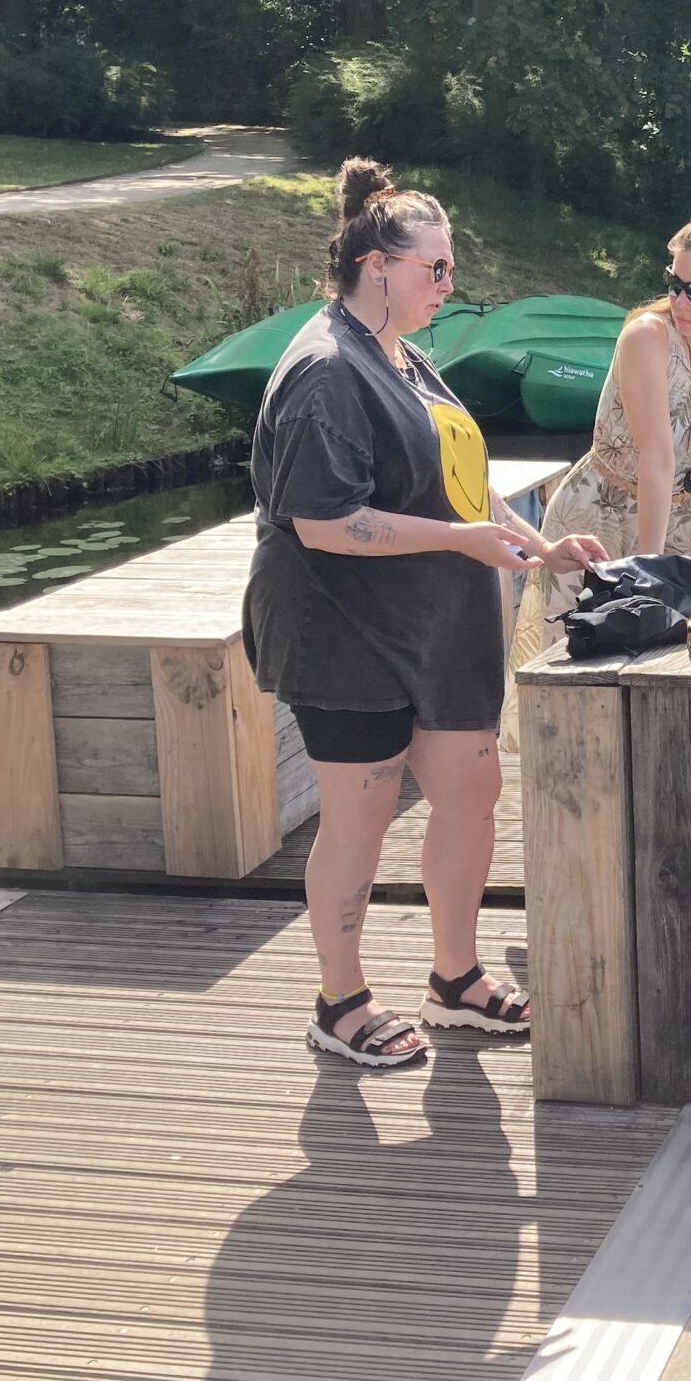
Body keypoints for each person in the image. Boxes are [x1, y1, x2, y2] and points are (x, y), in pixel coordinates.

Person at [244, 158, 606, 1068]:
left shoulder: (402, 352)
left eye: (451, 268)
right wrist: (460, 543)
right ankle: (340, 1000)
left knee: (472, 793)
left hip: (436, 627)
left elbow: (462, 484)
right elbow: (325, 524)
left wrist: (540, 548)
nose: (449, 285)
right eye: (434, 269)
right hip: (342, 631)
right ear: (377, 267)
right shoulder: (326, 370)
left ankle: (455, 981)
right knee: (359, 819)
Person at [508, 216, 691, 672]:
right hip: (599, 520)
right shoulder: (647, 337)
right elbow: (657, 457)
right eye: (675, 284)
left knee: (672, 672)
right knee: (583, 673)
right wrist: (650, 572)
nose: (681, 301)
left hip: (681, 514)